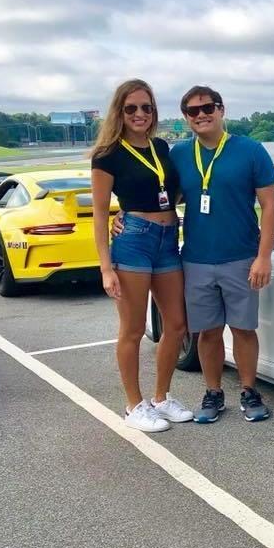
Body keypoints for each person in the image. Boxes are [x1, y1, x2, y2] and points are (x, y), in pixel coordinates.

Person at [167, 85, 274, 423]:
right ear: (186, 117)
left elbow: (270, 206)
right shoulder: (179, 154)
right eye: (192, 111)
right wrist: (125, 217)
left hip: (242, 257)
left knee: (243, 329)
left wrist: (264, 256)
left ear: (221, 109)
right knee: (208, 331)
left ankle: (248, 390)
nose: (201, 115)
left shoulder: (251, 151)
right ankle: (213, 393)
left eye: (207, 108)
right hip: (197, 259)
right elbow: (161, 199)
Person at [91, 79, 193, 432]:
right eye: (131, 107)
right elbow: (101, 211)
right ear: (120, 111)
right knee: (133, 329)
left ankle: (161, 398)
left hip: (167, 239)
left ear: (153, 112)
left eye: (146, 107)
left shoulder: (161, 146)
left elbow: (171, 192)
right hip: (133, 241)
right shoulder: (108, 154)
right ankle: (134, 406)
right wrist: (106, 267)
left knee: (177, 324)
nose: (139, 114)